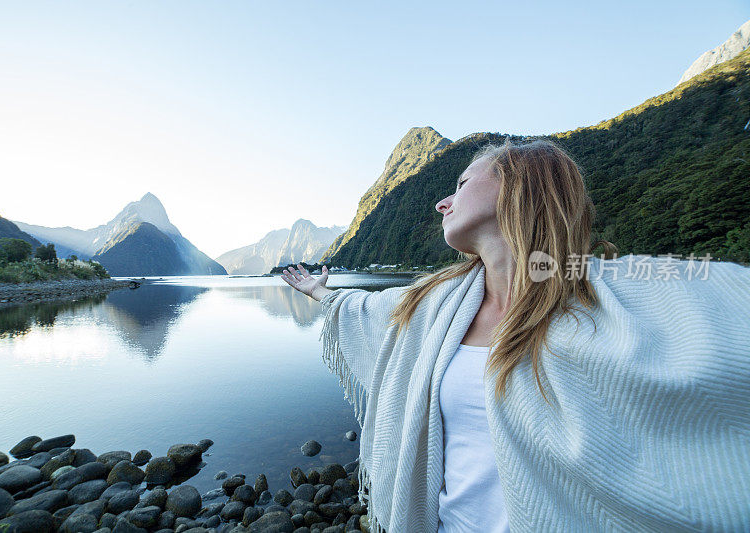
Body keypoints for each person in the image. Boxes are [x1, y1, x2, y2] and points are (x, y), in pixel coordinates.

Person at [282, 138, 750, 533]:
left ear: (515, 187)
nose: (442, 202)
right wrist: (322, 294)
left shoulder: (607, 292)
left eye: (461, 184)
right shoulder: (436, 305)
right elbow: (370, 311)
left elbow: (720, 300)